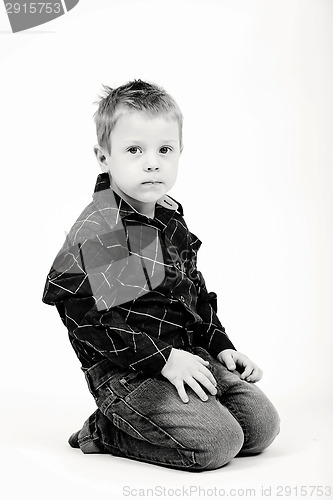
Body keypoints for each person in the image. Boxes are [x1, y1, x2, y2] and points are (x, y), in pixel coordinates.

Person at [42, 79, 280, 471]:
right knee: (218, 444)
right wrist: (165, 360)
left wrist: (221, 344)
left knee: (259, 427)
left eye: (164, 150)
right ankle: (107, 429)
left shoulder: (167, 214)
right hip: (127, 371)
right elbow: (91, 322)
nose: (152, 162)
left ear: (180, 153)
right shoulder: (104, 225)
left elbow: (193, 294)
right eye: (134, 150)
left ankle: (193, 406)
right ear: (104, 157)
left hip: (184, 355)